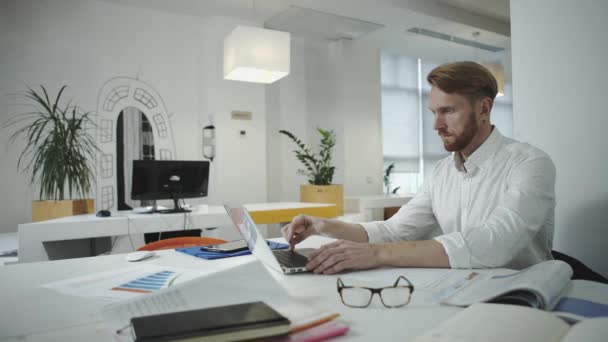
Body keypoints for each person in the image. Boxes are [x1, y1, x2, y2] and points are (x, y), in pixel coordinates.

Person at [282, 61, 556, 275]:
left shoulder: (529, 163)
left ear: (484, 108)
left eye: (448, 111)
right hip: (461, 288)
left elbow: (495, 243)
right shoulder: (441, 172)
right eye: (433, 113)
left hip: (523, 294)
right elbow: (394, 231)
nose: (437, 125)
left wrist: (377, 254)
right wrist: (322, 226)